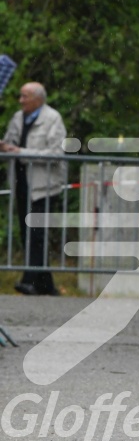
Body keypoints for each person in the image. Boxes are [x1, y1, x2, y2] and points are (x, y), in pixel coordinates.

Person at [0, 81, 66, 295]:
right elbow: (11, 142)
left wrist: (21, 152)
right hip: (21, 182)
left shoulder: (52, 119)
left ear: (38, 98)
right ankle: (46, 284)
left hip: (43, 185)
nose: (21, 101)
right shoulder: (18, 118)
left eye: (25, 96)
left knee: (36, 232)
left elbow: (56, 153)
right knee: (27, 231)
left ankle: (29, 279)